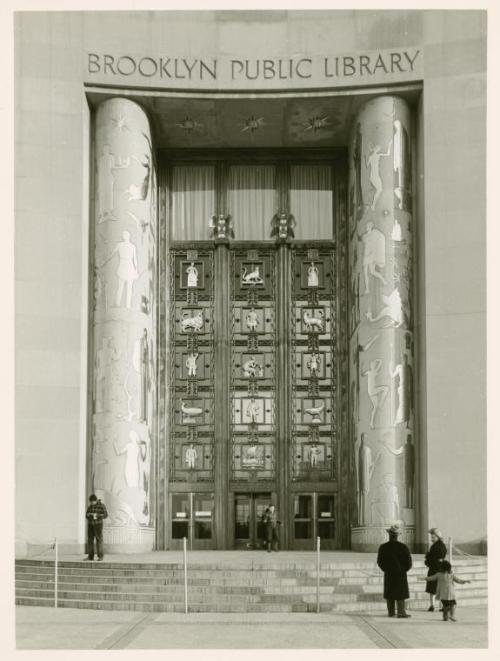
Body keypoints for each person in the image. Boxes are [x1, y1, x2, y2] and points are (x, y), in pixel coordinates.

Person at [376, 524, 412, 618]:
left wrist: (386, 570)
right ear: (397, 535)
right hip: (400, 573)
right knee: (401, 593)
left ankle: (391, 612)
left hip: (389, 573)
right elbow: (409, 563)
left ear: (389, 535)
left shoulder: (383, 547)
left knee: (389, 593)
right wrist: (403, 570)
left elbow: (380, 562)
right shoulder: (403, 547)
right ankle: (401, 612)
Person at [425, 527, 447, 611]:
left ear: (437, 537)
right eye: (431, 537)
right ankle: (441, 606)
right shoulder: (442, 545)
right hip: (441, 568)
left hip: (434, 569)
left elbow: (431, 558)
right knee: (440, 588)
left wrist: (427, 560)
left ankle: (432, 605)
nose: (431, 538)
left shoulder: (435, 546)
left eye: (433, 537)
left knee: (432, 588)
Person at [84, 494, 108, 561]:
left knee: (99, 540)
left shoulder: (101, 505)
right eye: (90, 502)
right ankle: (90, 556)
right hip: (90, 525)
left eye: (92, 502)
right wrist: (88, 515)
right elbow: (86, 515)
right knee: (90, 541)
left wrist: (97, 515)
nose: (91, 503)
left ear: (96, 500)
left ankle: (100, 556)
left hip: (98, 525)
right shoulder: (90, 506)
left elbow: (106, 515)